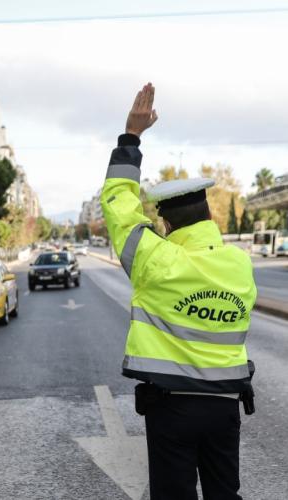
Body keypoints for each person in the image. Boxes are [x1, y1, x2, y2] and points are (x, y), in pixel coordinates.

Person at [101, 83, 256, 500]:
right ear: (208, 214)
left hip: (172, 407)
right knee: (226, 494)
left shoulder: (155, 261)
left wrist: (131, 138)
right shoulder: (240, 265)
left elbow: (118, 205)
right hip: (225, 404)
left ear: (166, 224)